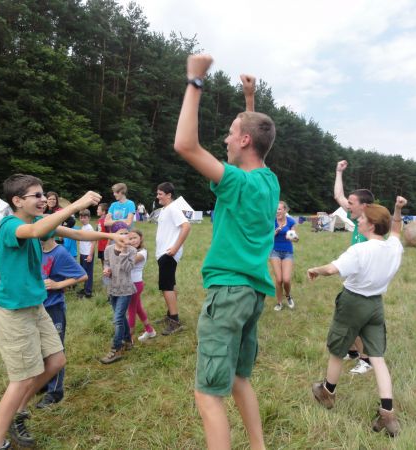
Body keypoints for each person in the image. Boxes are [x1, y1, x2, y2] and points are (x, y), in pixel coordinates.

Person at [173, 54, 279, 450]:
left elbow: (185, 144)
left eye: (232, 134)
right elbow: (256, 144)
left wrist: (194, 80)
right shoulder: (269, 182)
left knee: (208, 394)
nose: (226, 139)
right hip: (251, 295)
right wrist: (249, 101)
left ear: (245, 141)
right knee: (238, 379)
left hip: (228, 292)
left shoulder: (235, 182)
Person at [0, 174, 126, 450]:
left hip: (34, 305)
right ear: (16, 200)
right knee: (22, 377)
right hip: (13, 310)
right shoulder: (10, 226)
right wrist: (74, 206)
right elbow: (34, 233)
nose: (41, 199)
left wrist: (110, 235)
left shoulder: (37, 222)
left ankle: (19, 412)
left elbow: (76, 233)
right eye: (35, 196)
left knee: (56, 360)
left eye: (42, 194)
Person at [308, 196, 408, 438]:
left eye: (362, 218)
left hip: (353, 302)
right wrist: (397, 209)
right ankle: (387, 414)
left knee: (337, 348)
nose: (359, 220)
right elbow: (396, 228)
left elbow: (333, 269)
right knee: (378, 358)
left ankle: (327, 393)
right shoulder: (394, 247)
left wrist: (315, 270)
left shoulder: (360, 249)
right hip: (375, 305)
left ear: (371, 225)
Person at [334, 159, 376, 374]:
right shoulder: (357, 216)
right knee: (343, 313)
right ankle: (352, 351)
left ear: (364, 206)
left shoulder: (374, 222)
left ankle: (366, 360)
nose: (347, 205)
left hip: (364, 280)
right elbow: (338, 196)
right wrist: (338, 172)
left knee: (356, 321)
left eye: (352, 203)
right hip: (353, 277)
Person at [36, 235, 88, 409]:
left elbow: (82, 275)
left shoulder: (60, 252)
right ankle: (43, 382)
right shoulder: (36, 250)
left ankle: (55, 392)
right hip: (37, 308)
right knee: (40, 348)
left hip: (54, 308)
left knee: (55, 349)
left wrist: (58, 285)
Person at [155, 182, 191, 335]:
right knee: (170, 284)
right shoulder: (165, 209)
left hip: (168, 253)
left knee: (166, 286)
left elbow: (186, 226)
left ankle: (175, 321)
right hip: (163, 252)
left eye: (160, 194)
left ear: (169, 195)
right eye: (157, 194)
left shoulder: (173, 208)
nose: (158, 197)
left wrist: (175, 248)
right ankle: (170, 315)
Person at [100, 222, 137, 364]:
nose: (124, 236)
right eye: (120, 233)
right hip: (112, 288)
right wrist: (106, 270)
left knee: (117, 319)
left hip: (125, 289)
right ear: (114, 235)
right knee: (120, 317)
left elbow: (127, 268)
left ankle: (117, 348)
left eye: (126, 233)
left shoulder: (132, 251)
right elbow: (107, 263)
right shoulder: (108, 249)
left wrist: (123, 252)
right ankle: (128, 340)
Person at [127, 229, 156, 342]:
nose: (133, 240)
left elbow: (129, 261)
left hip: (135, 285)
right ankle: (150, 330)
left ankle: (129, 337)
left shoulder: (142, 252)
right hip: (129, 284)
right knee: (138, 308)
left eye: (135, 238)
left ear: (141, 238)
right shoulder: (130, 250)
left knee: (131, 310)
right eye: (130, 238)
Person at [270, 200, 298, 311]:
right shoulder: (271, 221)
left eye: (280, 209)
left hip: (287, 252)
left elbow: (296, 238)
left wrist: (293, 237)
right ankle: (279, 303)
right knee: (279, 279)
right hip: (274, 251)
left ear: (284, 210)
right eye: (276, 209)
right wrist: (276, 231)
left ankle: (288, 296)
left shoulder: (291, 221)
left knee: (286, 280)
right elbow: (267, 237)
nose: (277, 211)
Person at [76, 209, 95, 299]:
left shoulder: (89, 228)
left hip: (87, 254)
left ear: (89, 218)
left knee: (88, 273)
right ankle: (85, 288)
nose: (82, 219)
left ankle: (88, 292)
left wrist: (90, 255)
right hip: (83, 253)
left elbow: (93, 242)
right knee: (84, 272)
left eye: (85, 217)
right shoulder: (83, 227)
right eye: (81, 217)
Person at [96, 203, 109, 267]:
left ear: (103, 212)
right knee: (102, 263)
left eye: (98, 209)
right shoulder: (99, 220)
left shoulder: (106, 221)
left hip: (106, 246)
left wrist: (107, 245)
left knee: (107, 263)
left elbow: (110, 234)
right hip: (100, 246)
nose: (97, 210)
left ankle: (108, 276)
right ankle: (105, 275)